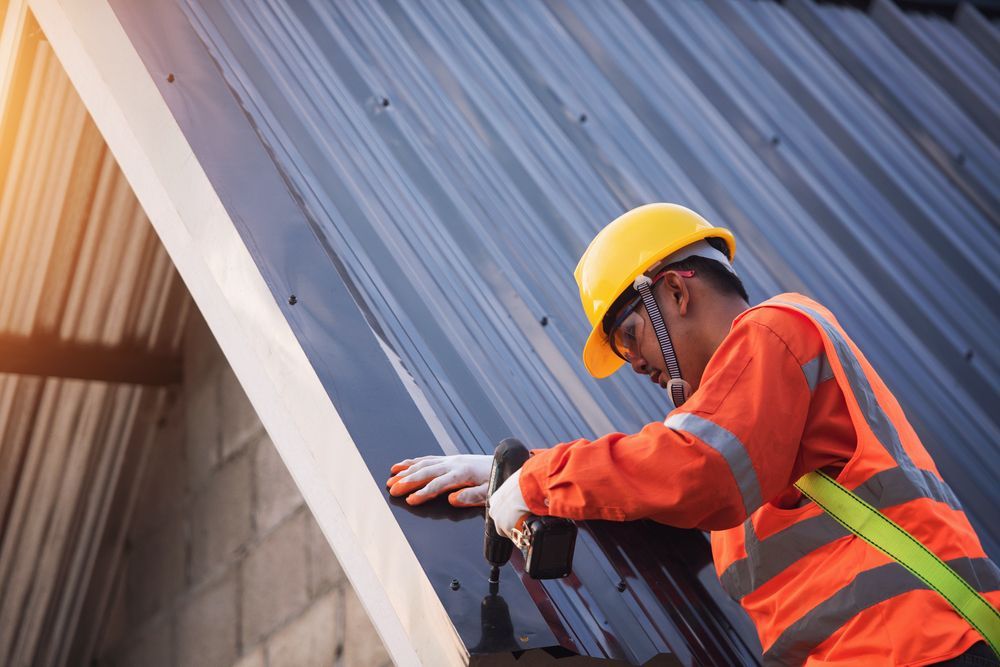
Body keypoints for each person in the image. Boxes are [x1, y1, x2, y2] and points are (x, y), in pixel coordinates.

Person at [386, 203, 999, 665]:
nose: (637, 366)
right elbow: (658, 478)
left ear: (675, 290)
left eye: (628, 338)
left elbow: (691, 468)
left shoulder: (777, 329)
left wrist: (539, 480)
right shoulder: (749, 438)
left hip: (932, 646)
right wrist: (514, 473)